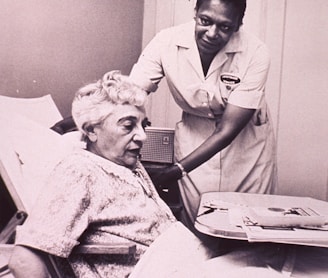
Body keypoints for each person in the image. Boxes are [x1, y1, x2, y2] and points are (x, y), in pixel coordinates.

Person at [8, 71, 215, 277]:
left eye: (143, 125)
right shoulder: (80, 171)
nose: (142, 136)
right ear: (91, 131)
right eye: (128, 126)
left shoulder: (125, 161)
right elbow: (23, 260)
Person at [129, 0, 277, 231]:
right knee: (198, 224)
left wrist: (176, 170)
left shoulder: (255, 52)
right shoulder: (166, 42)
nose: (212, 33)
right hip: (194, 134)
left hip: (244, 142)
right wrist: (85, 119)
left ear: (238, 24)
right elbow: (130, 94)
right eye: (205, 21)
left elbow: (227, 131)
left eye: (225, 27)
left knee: (249, 225)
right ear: (195, 12)